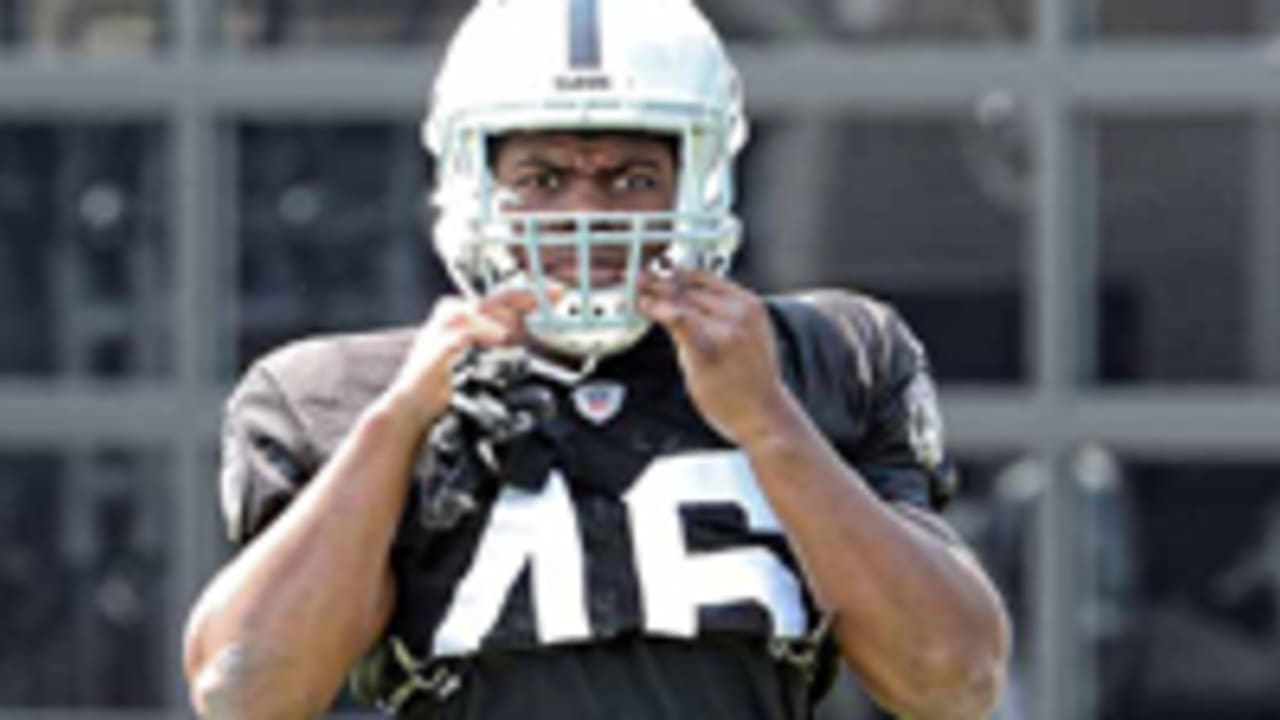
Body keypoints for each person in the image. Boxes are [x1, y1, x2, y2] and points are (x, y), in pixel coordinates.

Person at [182, 0, 1011, 717]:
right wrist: (395, 426)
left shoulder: (827, 358)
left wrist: (768, 424)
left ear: (702, 179)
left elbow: (953, 681)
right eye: (542, 178)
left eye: (630, 178)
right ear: (472, 181)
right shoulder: (334, 395)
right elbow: (242, 692)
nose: (587, 213)